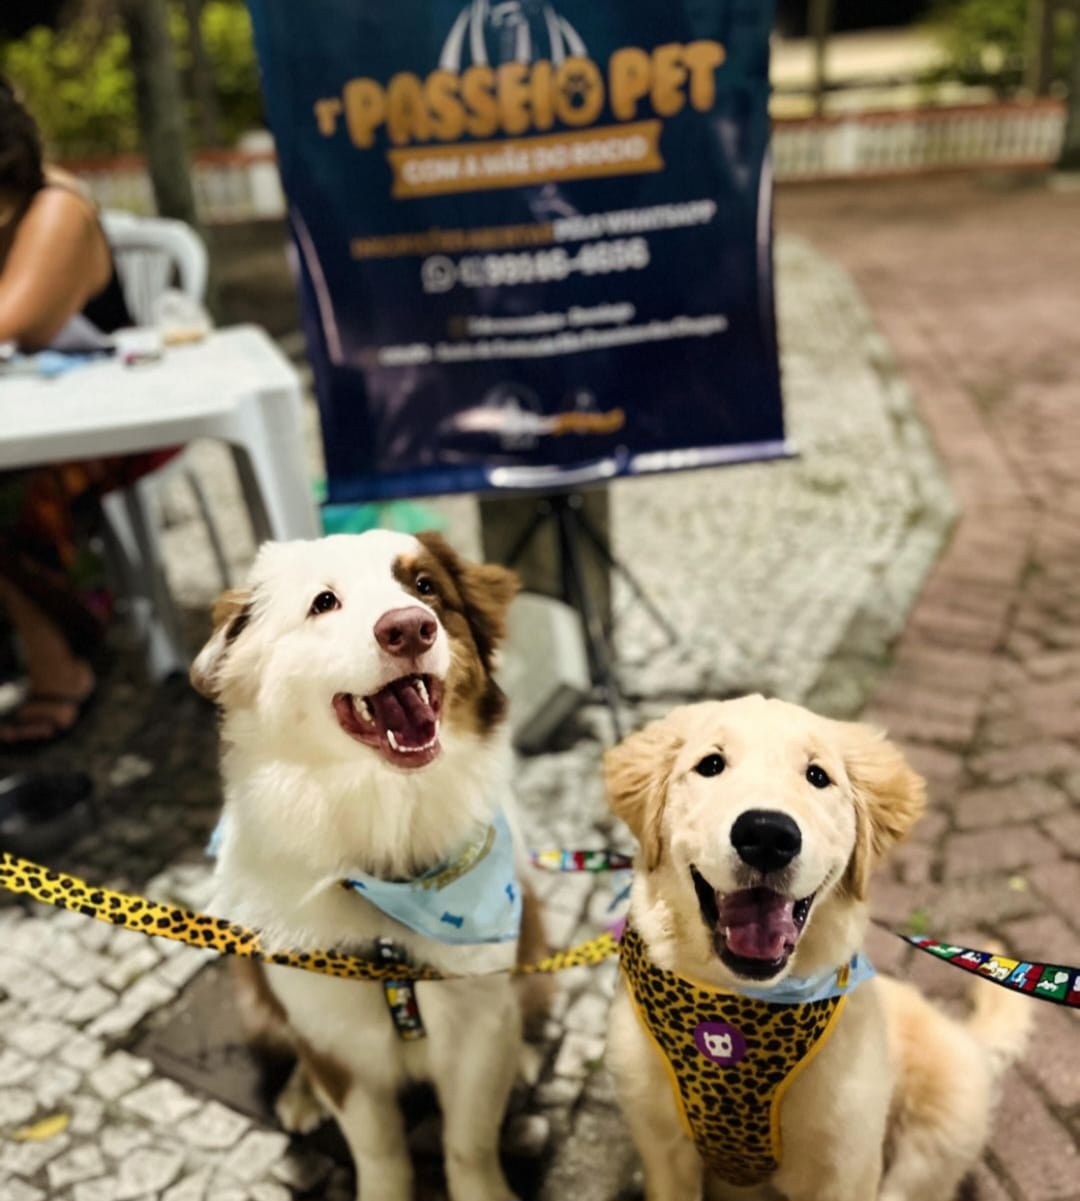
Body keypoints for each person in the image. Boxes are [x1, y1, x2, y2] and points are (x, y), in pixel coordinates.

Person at [0, 78, 167, 747]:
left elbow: (11, 321)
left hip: (118, 422)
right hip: (22, 423)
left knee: (9, 489)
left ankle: (62, 663)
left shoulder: (55, 209)